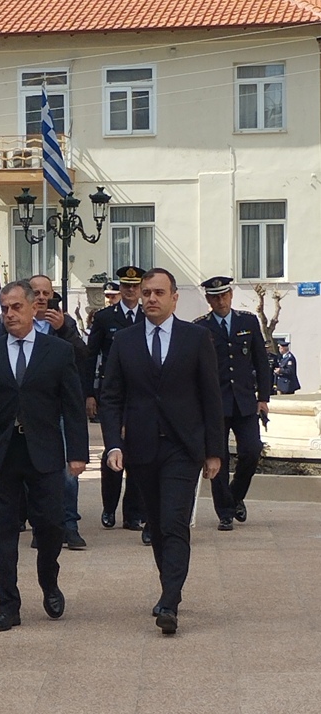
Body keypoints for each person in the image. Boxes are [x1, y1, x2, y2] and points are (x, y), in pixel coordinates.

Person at [0, 280, 89, 632]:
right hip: (3, 454)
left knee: (50, 525)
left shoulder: (57, 352)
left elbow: (73, 405)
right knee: (2, 531)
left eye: (17, 307)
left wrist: (77, 453)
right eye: (5, 308)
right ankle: (8, 603)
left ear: (35, 308)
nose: (10, 314)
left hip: (44, 453)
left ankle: (49, 579)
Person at [99, 268, 223, 635]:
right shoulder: (124, 340)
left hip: (184, 448)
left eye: (158, 292)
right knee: (155, 523)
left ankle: (170, 600)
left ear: (173, 298)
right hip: (141, 447)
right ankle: (169, 586)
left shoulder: (196, 338)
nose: (150, 298)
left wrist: (214, 451)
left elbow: (210, 397)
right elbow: (111, 397)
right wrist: (113, 444)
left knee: (173, 521)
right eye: (146, 293)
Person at [0, 274, 88, 550]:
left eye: (45, 293)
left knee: (65, 476)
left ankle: (68, 525)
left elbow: (82, 359)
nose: (41, 297)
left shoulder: (63, 322)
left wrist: (64, 330)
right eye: (35, 292)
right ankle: (41, 525)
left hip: (55, 414)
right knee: (32, 474)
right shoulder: (10, 323)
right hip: (22, 418)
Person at [194, 276, 271, 530]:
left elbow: (261, 362)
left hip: (245, 402)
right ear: (208, 300)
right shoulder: (200, 328)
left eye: (224, 295)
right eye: (215, 297)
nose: (220, 301)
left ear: (231, 296)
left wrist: (263, 398)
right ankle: (225, 512)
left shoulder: (247, 321)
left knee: (251, 450)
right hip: (215, 404)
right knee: (218, 458)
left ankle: (235, 495)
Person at [85, 266, 148, 541]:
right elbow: (90, 356)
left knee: (138, 454)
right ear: (120, 288)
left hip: (142, 393)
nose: (130, 290)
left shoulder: (149, 316)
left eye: (135, 286)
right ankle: (109, 507)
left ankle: (133, 512)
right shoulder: (105, 317)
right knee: (113, 449)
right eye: (126, 286)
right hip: (113, 391)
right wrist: (88, 393)